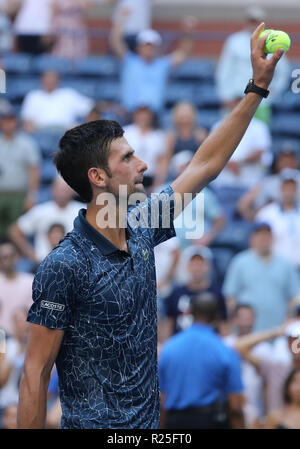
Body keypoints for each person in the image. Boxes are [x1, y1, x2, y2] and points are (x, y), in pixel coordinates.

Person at [17, 24, 284, 429]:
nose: (142, 165)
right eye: (127, 158)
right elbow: (34, 375)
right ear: (98, 177)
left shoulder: (143, 222)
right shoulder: (64, 265)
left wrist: (257, 88)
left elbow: (204, 165)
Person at [159, 293, 244, 429]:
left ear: (190, 312)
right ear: (216, 316)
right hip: (211, 421)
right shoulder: (225, 351)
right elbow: (235, 407)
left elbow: (162, 399)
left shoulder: (169, 348)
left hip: (175, 423)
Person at [215, 6, 290, 125]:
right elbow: (224, 70)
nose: (254, 24)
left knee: (260, 137)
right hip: (235, 99)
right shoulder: (234, 41)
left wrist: (274, 91)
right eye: (252, 21)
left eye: (257, 21)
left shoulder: (273, 42)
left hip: (262, 102)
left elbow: (283, 71)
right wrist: (225, 96)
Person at [223, 222, 300, 331]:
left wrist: (290, 318)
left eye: (267, 235)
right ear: (252, 238)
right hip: (247, 332)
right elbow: (230, 297)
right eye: (259, 235)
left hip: (277, 330)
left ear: (272, 238)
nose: (263, 238)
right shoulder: (240, 262)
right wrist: (235, 323)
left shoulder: (286, 264)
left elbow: (296, 297)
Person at [109, 17, 194, 114]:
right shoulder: (130, 61)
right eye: (145, 46)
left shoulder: (162, 65)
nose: (148, 50)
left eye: (151, 46)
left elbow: (183, 53)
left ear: (156, 48)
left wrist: (188, 32)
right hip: (129, 113)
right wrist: (121, 19)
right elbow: (115, 42)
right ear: (139, 47)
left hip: (154, 115)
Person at [9, 176, 82, 265]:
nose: (62, 193)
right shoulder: (41, 211)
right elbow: (15, 231)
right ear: (52, 190)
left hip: (75, 264)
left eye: (66, 190)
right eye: (60, 189)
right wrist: (31, 254)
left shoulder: (81, 211)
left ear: (72, 191)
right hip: (43, 263)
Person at [160, 245, 226, 341]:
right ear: (187, 266)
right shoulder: (176, 293)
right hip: (180, 344)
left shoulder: (216, 293)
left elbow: (223, 325)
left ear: (208, 267)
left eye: (201, 264)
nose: (197, 268)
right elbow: (168, 323)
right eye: (193, 264)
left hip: (208, 344)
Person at [224, 304, 272, 427]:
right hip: (230, 410)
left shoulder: (266, 348)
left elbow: (267, 381)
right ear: (234, 320)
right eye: (243, 318)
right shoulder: (225, 343)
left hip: (257, 410)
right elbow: (236, 346)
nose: (247, 322)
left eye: (250, 318)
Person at [211, 97, 272, 189]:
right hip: (223, 184)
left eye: (242, 104)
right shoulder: (218, 126)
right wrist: (229, 163)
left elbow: (260, 151)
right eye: (237, 104)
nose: (239, 107)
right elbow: (211, 152)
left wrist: (239, 163)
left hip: (249, 184)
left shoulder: (259, 127)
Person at [0, 104, 40, 239]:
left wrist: (31, 196)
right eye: (4, 120)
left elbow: (34, 170)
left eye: (10, 120)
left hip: (18, 195)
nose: (8, 124)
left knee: (15, 232)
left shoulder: (26, 143)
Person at [238, 145, 300, 221]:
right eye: (284, 159)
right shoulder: (267, 182)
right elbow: (244, 206)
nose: (287, 162)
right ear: (277, 162)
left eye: (290, 159)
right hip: (274, 222)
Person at [21, 71, 95, 133]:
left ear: (58, 80)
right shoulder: (33, 96)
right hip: (41, 131)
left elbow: (90, 108)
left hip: (66, 131)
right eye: (47, 78)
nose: (50, 81)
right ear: (41, 80)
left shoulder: (68, 94)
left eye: (52, 78)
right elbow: (27, 119)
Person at [255, 170, 300, 269]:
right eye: (286, 187)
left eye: (292, 187)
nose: (289, 191)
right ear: (280, 189)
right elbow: (258, 241)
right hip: (275, 268)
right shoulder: (266, 214)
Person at [123, 105, 167, 191]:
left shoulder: (159, 136)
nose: (143, 117)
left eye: (146, 114)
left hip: (150, 177)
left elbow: (162, 162)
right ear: (135, 115)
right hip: (129, 177)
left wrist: (157, 184)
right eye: (141, 114)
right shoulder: (125, 133)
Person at [0, 241, 33, 336]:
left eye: (10, 256)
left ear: (16, 257)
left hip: (24, 337)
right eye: (3, 257)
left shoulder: (30, 281)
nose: (6, 260)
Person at [0, 308, 29, 411]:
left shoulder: (35, 348)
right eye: (16, 321)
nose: (20, 325)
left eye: (22, 320)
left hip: (26, 403)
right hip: (5, 402)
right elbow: (2, 379)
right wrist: (16, 353)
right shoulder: (6, 345)